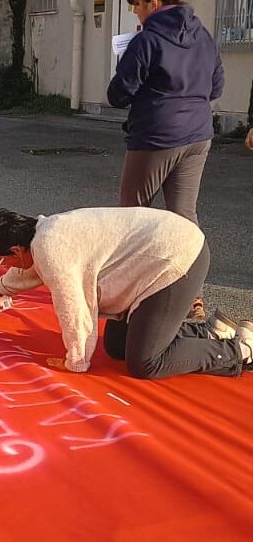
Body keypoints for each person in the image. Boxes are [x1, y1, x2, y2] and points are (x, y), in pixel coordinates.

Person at [0, 207, 253, 380]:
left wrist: (76, 361)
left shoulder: (51, 250)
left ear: (16, 250)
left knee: (145, 363)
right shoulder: (43, 236)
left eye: (2, 261)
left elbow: (74, 308)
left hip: (176, 258)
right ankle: (211, 332)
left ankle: (238, 350)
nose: (4, 266)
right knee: (117, 348)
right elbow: (30, 270)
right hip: (156, 257)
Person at [107, 0, 224, 320]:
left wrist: (133, 59)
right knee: (185, 214)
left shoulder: (147, 40)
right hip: (198, 135)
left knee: (133, 215)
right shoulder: (204, 36)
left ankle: (129, 298)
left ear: (154, 3)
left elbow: (118, 94)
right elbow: (217, 86)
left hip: (155, 137)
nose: (134, 11)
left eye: (137, 4)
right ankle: (192, 298)